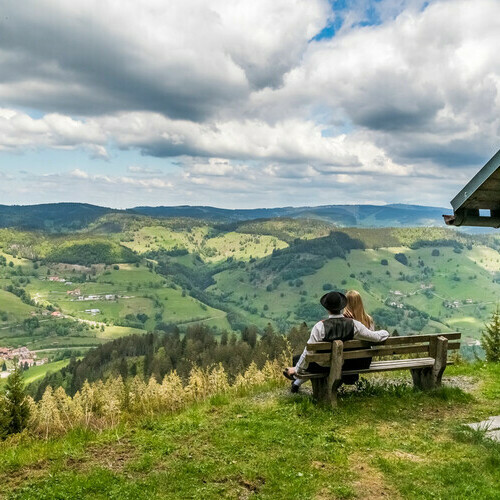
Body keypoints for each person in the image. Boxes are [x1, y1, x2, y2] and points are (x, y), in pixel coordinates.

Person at [284, 291, 389, 393]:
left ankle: (297, 381)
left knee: (299, 359)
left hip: (324, 366)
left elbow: (308, 352)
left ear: (327, 308)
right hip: (345, 363)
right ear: (342, 306)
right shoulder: (354, 325)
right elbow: (376, 337)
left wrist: (297, 369)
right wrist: (385, 332)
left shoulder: (319, 327)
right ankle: (298, 381)